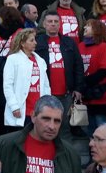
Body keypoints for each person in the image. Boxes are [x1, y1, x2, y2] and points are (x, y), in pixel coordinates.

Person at [35, 11, 84, 142]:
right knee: (44, 126)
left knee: (64, 127)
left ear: (60, 24)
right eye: (50, 22)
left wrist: (78, 88)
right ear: (44, 24)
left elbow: (78, 66)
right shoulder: (36, 42)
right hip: (45, 92)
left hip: (66, 93)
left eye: (56, 22)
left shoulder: (69, 42)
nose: (53, 24)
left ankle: (65, 158)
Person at [3, 29, 50, 130]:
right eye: (31, 40)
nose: (35, 43)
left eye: (35, 40)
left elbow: (46, 85)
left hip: (38, 109)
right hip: (21, 109)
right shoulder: (13, 59)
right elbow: (7, 85)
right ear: (23, 43)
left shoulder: (40, 60)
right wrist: (14, 106)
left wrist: (47, 104)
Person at [0, 6, 24, 134]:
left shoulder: (20, 32)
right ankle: (3, 132)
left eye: (0, 16)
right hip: (0, 74)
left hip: (15, 74)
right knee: (1, 104)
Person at [78, 19, 106, 136]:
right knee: (90, 129)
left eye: (88, 26)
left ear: (96, 30)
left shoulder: (103, 46)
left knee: (102, 128)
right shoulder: (80, 46)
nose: (85, 28)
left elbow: (104, 70)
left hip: (99, 94)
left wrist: (85, 83)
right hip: (86, 94)